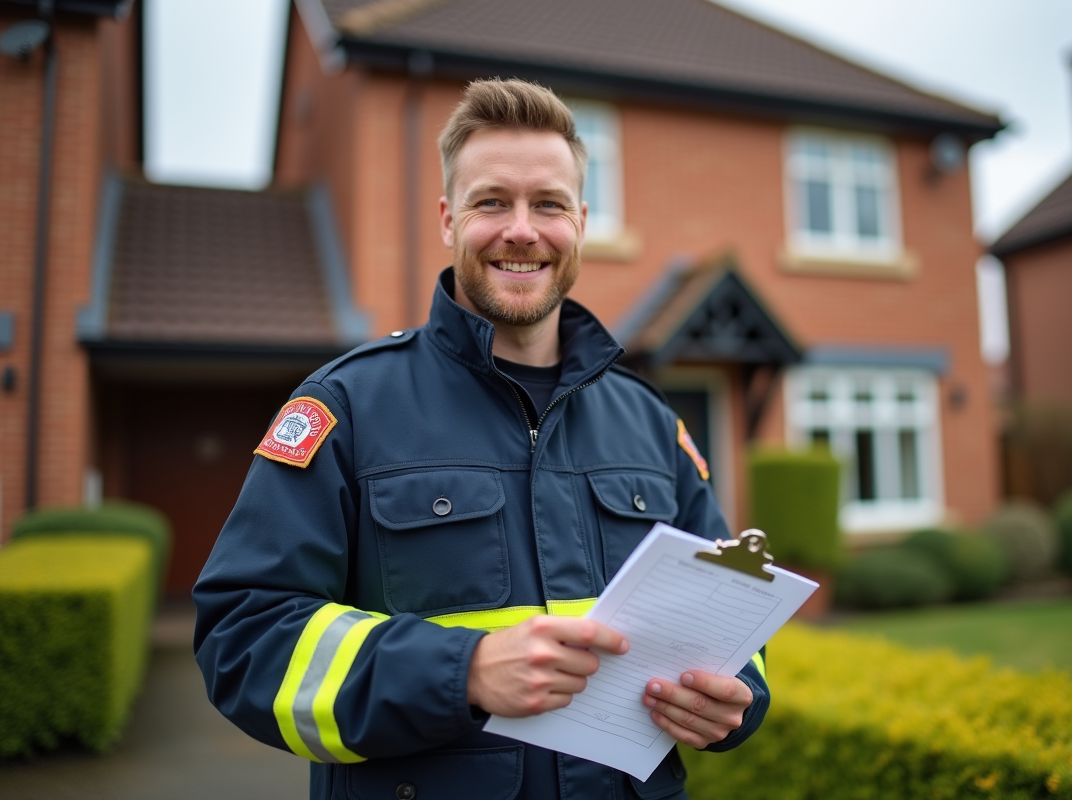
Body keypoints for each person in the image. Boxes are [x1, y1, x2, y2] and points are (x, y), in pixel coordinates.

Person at [194, 78, 769, 800]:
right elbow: (243, 641)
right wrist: (459, 671)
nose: (522, 229)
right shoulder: (345, 407)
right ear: (447, 218)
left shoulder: (653, 424)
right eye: (492, 201)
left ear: (581, 222)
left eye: (549, 204)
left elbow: (731, 617)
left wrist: (737, 695)